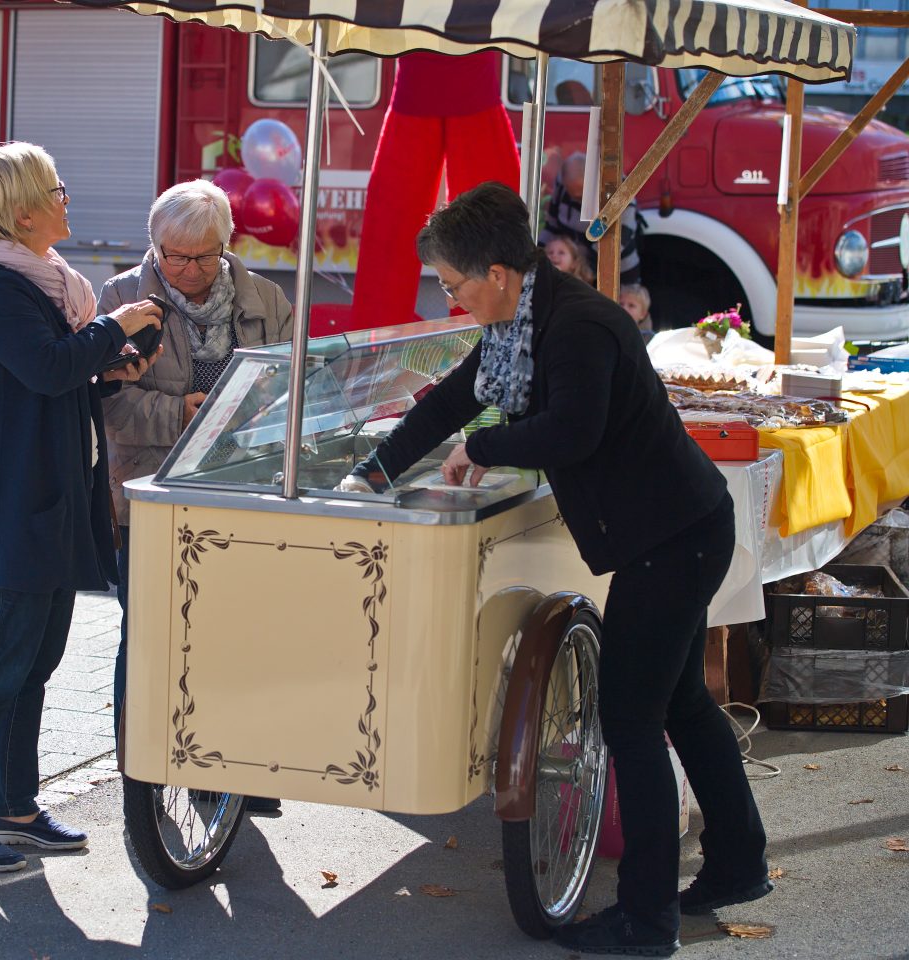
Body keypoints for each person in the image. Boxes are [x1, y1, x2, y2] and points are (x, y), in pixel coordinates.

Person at [337, 183, 769, 957]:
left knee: (630, 719)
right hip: (674, 530)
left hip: (674, 539)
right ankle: (738, 863)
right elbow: (451, 402)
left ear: (499, 274)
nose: (453, 298)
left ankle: (646, 920)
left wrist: (483, 447)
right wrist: (372, 473)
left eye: (455, 284)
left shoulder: (577, 326)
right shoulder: (522, 323)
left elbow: (573, 431)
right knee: (680, 704)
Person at [0, 142, 161, 873]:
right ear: (21, 212)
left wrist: (111, 370)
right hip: (14, 508)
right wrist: (116, 327)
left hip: (51, 502)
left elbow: (56, 380)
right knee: (1, 665)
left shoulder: (42, 285)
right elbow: (49, 366)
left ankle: (16, 807)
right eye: (56, 189)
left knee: (34, 661)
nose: (67, 198)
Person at [99, 179, 292, 813]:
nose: (189, 270)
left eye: (204, 256)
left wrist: (259, 412)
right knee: (149, 632)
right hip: (150, 493)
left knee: (239, 631)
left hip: (243, 489)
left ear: (225, 245)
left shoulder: (266, 299)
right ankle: (141, 772)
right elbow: (110, 404)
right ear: (154, 246)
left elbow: (293, 386)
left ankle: (237, 769)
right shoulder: (122, 298)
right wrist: (180, 412)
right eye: (175, 256)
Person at [351, 51, 519, 328]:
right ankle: (377, 343)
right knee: (489, 228)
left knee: (489, 228)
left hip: (453, 89)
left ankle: (490, 332)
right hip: (439, 89)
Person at [541, 152, 642, 284]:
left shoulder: (621, 194)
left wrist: (579, 269)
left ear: (595, 181)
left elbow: (613, 244)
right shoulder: (563, 180)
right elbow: (552, 225)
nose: (577, 201)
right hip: (573, 267)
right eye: (572, 195)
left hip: (616, 269)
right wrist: (538, 254)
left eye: (581, 196)